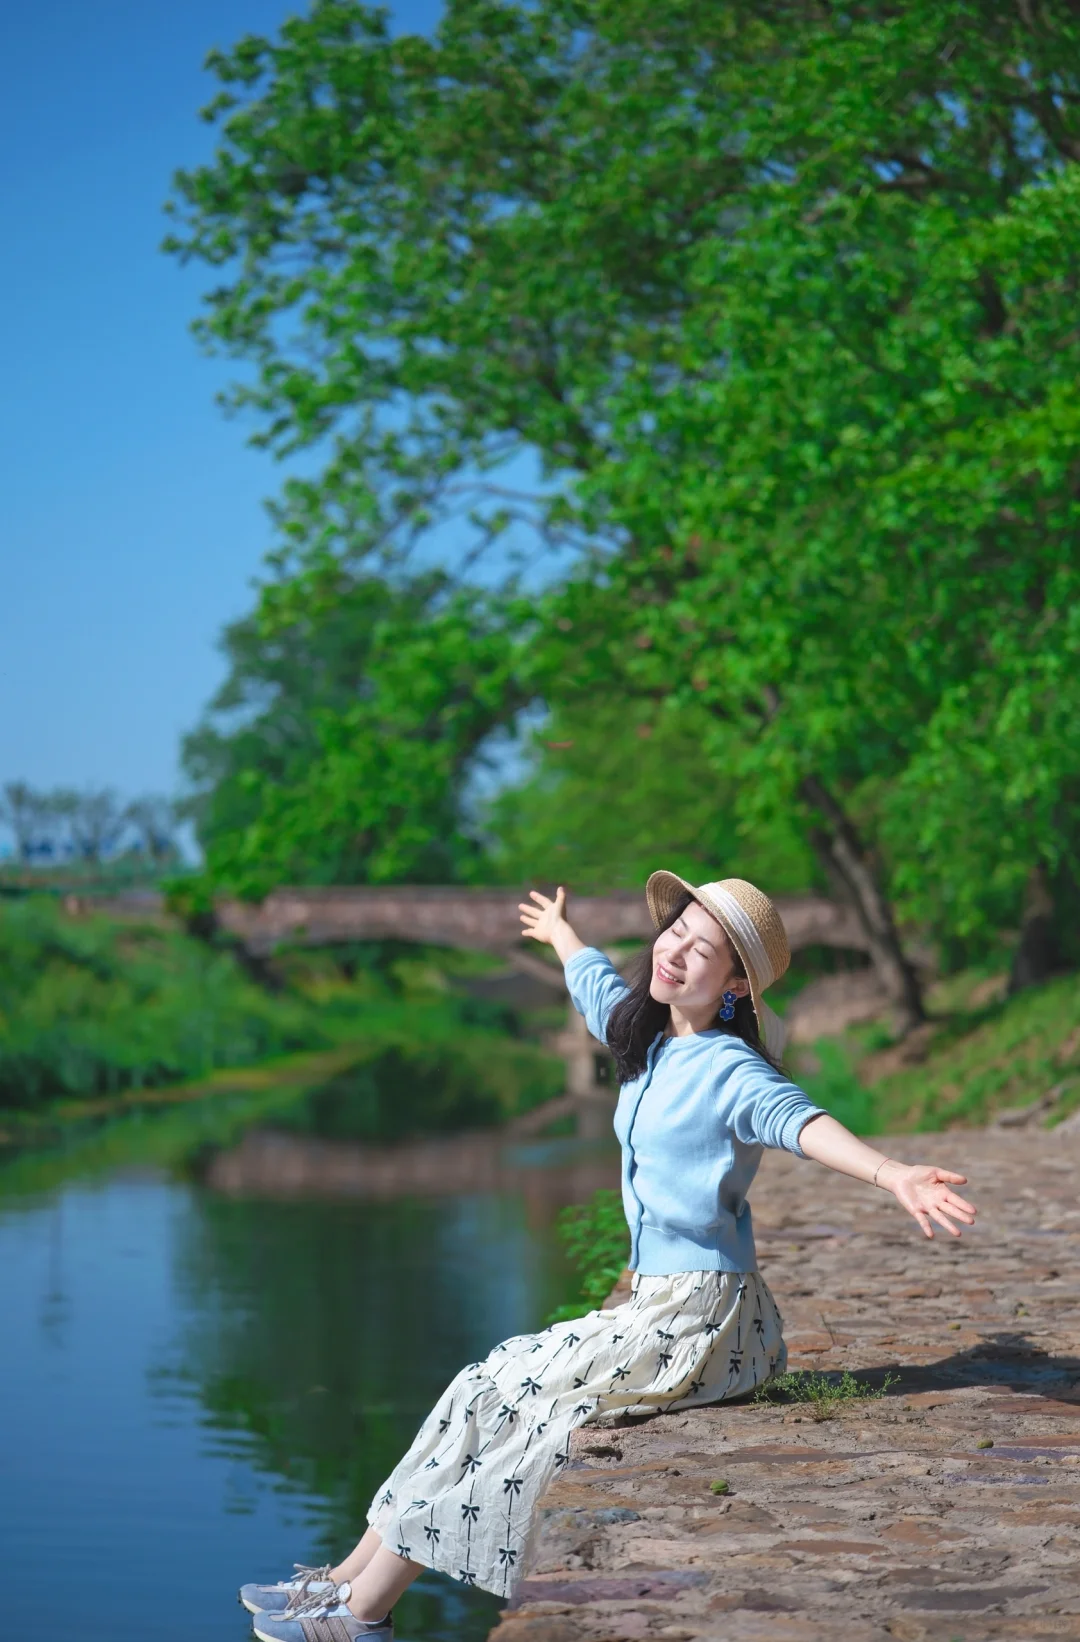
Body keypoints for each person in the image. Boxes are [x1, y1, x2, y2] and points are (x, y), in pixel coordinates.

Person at [240, 873, 977, 1642]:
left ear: (734, 987)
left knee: (536, 1419)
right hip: (656, 1301)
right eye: (675, 932)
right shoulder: (647, 1037)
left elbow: (798, 1119)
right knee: (482, 1385)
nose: (676, 952)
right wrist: (561, 933)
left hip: (701, 1315)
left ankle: (364, 1616)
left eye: (703, 950)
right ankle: (341, 1584)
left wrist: (892, 1173)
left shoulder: (730, 1069)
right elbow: (595, 987)